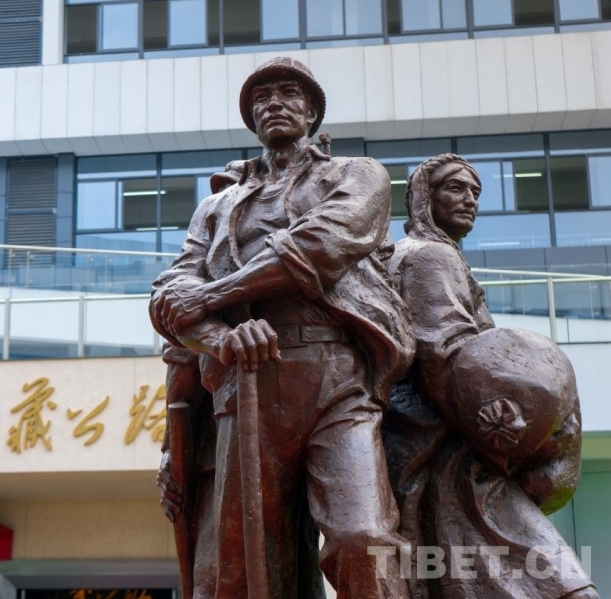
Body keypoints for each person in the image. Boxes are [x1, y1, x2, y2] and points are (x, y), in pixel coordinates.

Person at [150, 56, 415, 598]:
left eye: (288, 93)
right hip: (245, 384)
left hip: (335, 378)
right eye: (261, 97)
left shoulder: (357, 175)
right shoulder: (216, 207)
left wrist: (214, 295)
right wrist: (221, 338)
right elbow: (168, 294)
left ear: (312, 111)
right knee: (244, 567)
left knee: (362, 537)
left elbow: (319, 246)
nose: (273, 103)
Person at [383, 153, 598, 598]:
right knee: (555, 582)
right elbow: (442, 353)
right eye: (455, 188)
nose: (470, 200)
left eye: (475, 192)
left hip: (448, 446)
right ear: (424, 197)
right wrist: (506, 430)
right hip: (454, 452)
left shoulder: (435, 255)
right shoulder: (429, 257)